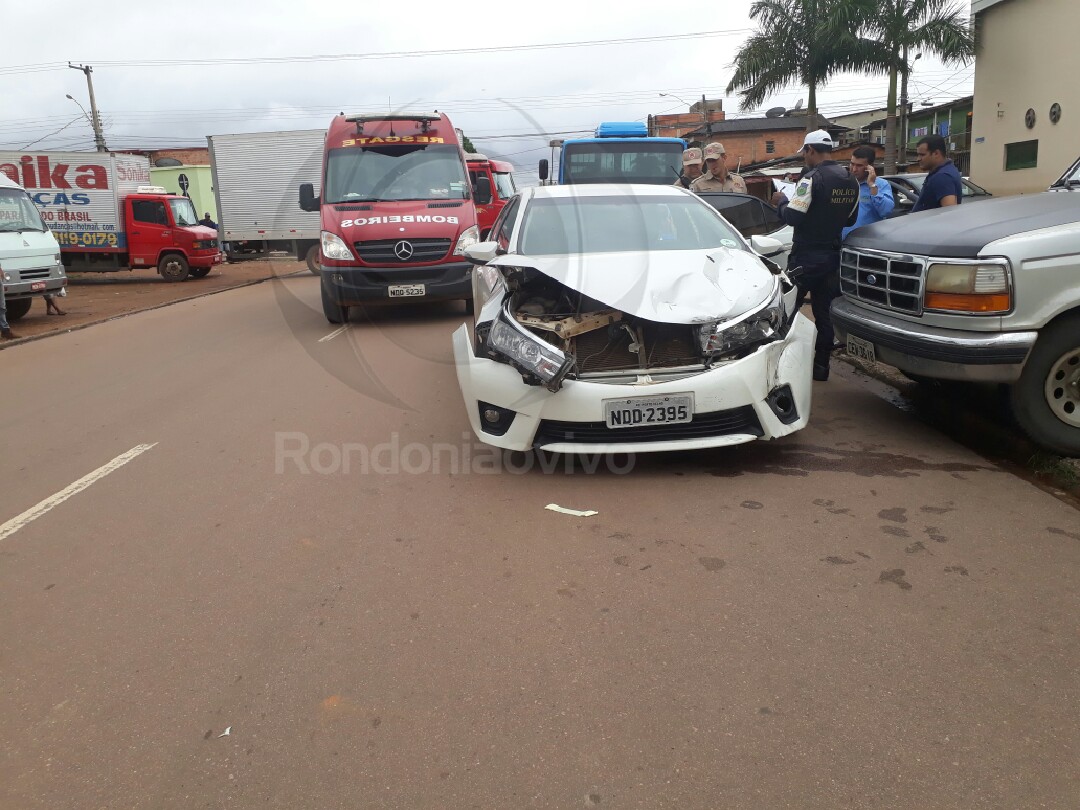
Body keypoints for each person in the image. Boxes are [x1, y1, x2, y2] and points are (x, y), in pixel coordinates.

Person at [770, 129, 860, 382]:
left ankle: (781, 367)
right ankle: (821, 368)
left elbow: (793, 216)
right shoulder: (850, 179)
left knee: (787, 310)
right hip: (833, 256)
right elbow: (851, 218)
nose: (804, 158)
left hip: (805, 258)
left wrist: (781, 201)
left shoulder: (811, 178)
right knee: (824, 315)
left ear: (810, 150)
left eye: (805, 153)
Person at [843, 146, 894, 238]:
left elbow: (886, 211)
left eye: (859, 166)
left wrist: (872, 185)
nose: (854, 169)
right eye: (852, 164)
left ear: (870, 167)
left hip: (867, 241)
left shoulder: (881, 185)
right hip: (842, 241)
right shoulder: (843, 182)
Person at [910, 134, 962, 212]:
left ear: (936, 153)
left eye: (922, 155)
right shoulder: (947, 170)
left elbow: (950, 213)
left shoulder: (942, 176)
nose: (918, 159)